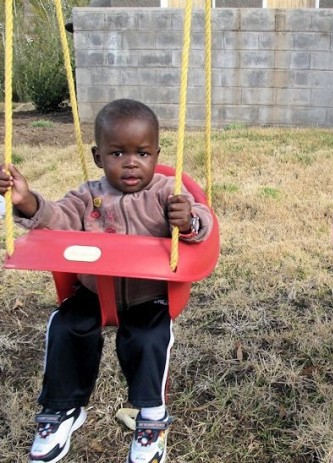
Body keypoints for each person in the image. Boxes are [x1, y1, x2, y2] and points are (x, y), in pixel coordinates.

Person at [0, 99, 213, 463]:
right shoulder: (89, 195)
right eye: (117, 153)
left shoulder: (167, 191)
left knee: (147, 339)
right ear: (99, 157)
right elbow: (58, 217)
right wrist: (28, 202)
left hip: (149, 295)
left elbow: (203, 220)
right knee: (67, 325)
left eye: (142, 153)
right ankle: (63, 409)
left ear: (156, 154)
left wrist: (187, 219)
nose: (131, 162)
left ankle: (151, 416)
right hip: (94, 290)